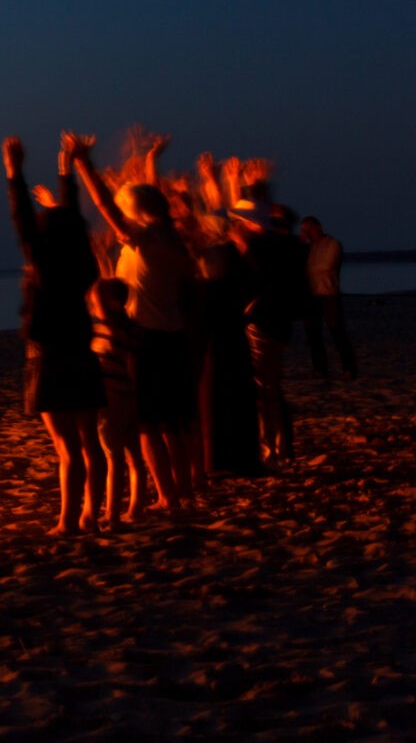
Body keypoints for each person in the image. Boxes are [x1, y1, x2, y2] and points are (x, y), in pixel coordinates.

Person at [71, 142, 199, 518]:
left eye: (128, 210)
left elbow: (104, 206)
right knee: (173, 423)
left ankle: (167, 496)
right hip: (174, 335)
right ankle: (183, 490)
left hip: (148, 338)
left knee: (148, 425)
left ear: (137, 213)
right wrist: (148, 165)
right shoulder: (172, 239)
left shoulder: (146, 240)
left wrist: (84, 165)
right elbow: (147, 201)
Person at [6, 135, 110, 535]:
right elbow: (72, 219)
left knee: (67, 447)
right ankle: (91, 515)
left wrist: (14, 172)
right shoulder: (82, 261)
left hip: (49, 353)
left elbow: (22, 219)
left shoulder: (43, 262)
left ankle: (68, 520)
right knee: (90, 442)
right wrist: (66, 170)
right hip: (81, 349)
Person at [231, 192, 309, 465]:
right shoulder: (287, 245)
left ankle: (270, 448)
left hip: (262, 321)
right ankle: (279, 446)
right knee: (271, 386)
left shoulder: (259, 246)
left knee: (263, 388)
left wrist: (242, 247)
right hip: (279, 322)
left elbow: (254, 278)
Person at [196, 239, 265, 478]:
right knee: (238, 401)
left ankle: (218, 460)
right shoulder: (233, 287)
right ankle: (243, 458)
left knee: (216, 402)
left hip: (217, 350)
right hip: (235, 349)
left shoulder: (207, 292)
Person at [91, 276, 147, 524]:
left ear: (111, 304)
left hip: (111, 398)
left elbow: (132, 366)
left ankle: (112, 512)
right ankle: (135, 507)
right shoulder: (132, 329)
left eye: (96, 303)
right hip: (124, 396)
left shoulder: (108, 331)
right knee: (133, 455)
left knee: (114, 456)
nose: (93, 308)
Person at [300, 217, 355, 379]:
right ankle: (319, 368)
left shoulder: (333, 244)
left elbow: (327, 265)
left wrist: (307, 270)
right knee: (313, 334)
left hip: (329, 294)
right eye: (304, 230)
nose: (307, 233)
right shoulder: (308, 248)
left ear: (319, 227)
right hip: (311, 295)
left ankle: (349, 368)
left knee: (337, 332)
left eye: (309, 229)